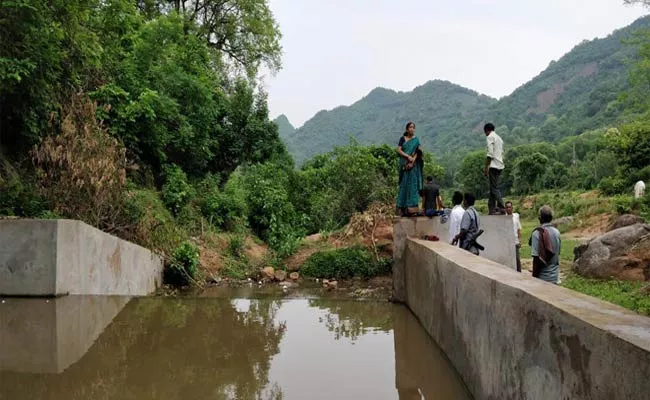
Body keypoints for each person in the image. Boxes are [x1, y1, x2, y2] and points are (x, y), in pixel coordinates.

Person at [396, 122, 423, 216]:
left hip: (413, 166)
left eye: (413, 127)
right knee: (404, 185)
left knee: (413, 185)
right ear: (407, 129)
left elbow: (418, 151)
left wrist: (412, 161)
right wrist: (407, 157)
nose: (412, 129)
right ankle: (402, 208)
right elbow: (399, 150)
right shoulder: (402, 139)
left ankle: (412, 209)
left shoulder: (416, 140)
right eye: (410, 127)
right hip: (404, 165)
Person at [529, 205, 561, 284]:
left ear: (540, 218)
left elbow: (536, 259)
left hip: (542, 278)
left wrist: (534, 278)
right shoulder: (557, 232)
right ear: (551, 218)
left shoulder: (537, 233)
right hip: (554, 277)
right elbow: (558, 253)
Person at [483, 123, 505, 215]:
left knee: (494, 188)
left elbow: (490, 154)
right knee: (493, 188)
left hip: (493, 166)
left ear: (487, 130)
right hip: (500, 165)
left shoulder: (490, 137)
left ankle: (501, 206)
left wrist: (486, 167)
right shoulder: (499, 138)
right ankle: (491, 208)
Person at [505, 201, 522, 272]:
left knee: (517, 259)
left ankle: (519, 272)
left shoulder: (516, 216)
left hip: (515, 241)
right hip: (508, 242)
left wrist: (520, 240)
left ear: (512, 208)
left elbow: (518, 229)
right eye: (507, 207)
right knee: (509, 259)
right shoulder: (504, 218)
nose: (508, 209)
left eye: (509, 207)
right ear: (505, 208)